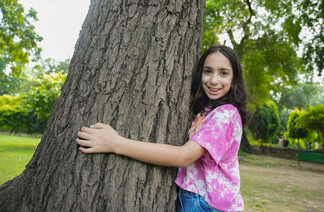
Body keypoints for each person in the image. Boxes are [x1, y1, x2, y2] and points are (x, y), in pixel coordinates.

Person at [76, 45, 250, 212]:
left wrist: (116, 144)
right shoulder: (208, 111)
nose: (213, 80)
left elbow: (184, 156)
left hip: (207, 204)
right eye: (208, 71)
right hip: (198, 199)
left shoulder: (225, 115)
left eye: (223, 73)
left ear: (234, 80)